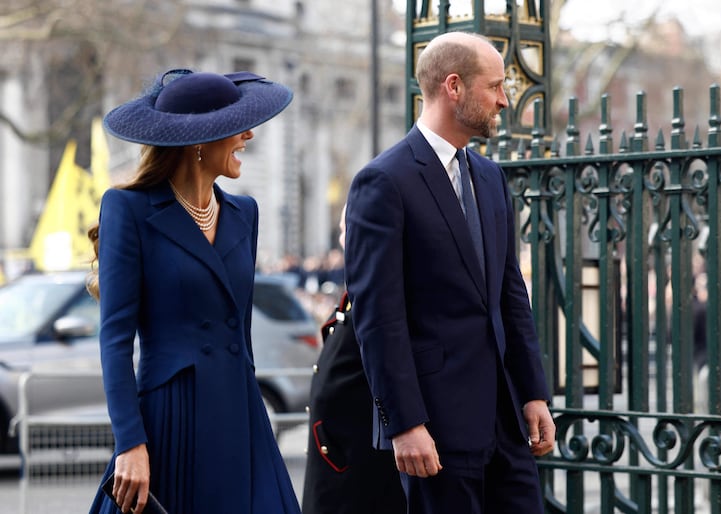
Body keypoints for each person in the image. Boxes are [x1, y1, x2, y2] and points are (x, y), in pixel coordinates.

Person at [344, 32, 555, 514]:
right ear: (453, 86)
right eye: (496, 86)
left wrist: (533, 394)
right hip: (434, 428)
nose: (505, 99)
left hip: (506, 423)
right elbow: (378, 317)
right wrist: (404, 423)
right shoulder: (383, 181)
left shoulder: (490, 176)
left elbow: (509, 295)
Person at [86, 68, 300, 514]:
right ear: (201, 141)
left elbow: (239, 333)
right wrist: (130, 442)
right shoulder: (128, 210)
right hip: (172, 418)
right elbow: (115, 340)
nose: (249, 137)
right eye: (237, 128)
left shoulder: (246, 213)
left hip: (241, 412)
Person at [302, 205, 406, 514]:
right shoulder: (362, 287)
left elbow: (390, 370)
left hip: (355, 469)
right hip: (340, 466)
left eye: (346, 228)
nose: (343, 238)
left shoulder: (379, 290)